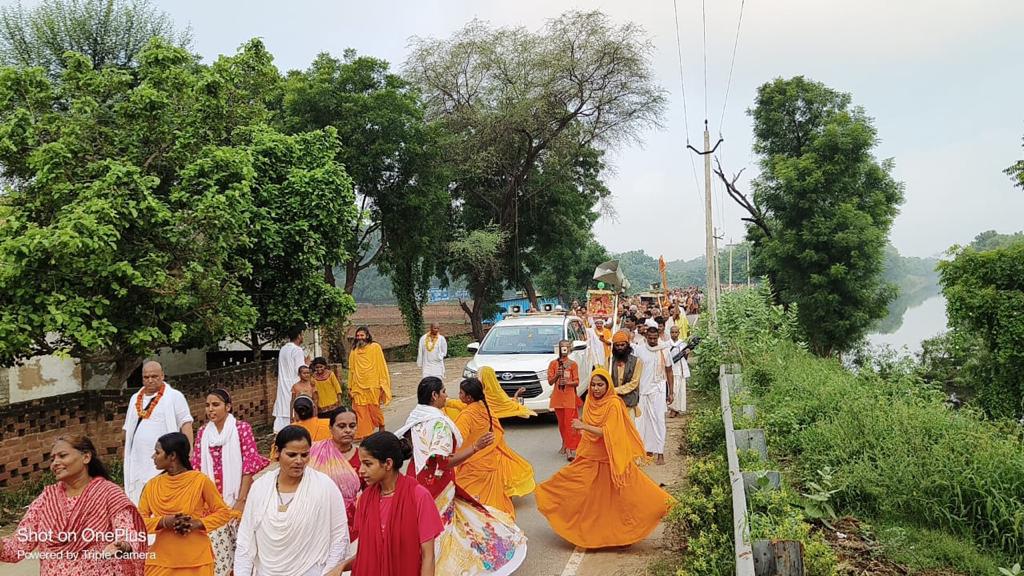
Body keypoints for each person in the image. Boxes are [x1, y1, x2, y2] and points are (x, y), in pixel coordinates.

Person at [395, 377, 528, 576]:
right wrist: (476, 447)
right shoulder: (439, 424)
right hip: (438, 484)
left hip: (416, 478)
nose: (446, 396)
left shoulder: (416, 417)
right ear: (434, 395)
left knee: (420, 526)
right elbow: (444, 461)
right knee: (441, 529)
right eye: (443, 392)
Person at [535, 368, 674, 548]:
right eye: (593, 385)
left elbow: (608, 432)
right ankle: (587, 530)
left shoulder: (614, 404)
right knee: (568, 487)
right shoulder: (590, 402)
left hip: (612, 459)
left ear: (608, 385)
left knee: (634, 494)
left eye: (600, 385)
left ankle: (663, 508)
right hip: (590, 458)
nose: (596, 389)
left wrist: (583, 426)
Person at [1, 435, 147, 576]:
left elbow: (128, 533)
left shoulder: (108, 493)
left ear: (86, 457)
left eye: (62, 456)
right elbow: (16, 548)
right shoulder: (46, 499)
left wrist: (122, 544)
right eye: (52, 459)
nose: (55, 463)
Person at [235, 426, 348, 576]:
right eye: (292, 454)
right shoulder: (260, 488)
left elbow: (339, 536)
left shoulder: (324, 486)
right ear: (277, 452)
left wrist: (329, 572)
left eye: (304, 455)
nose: (299, 461)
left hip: (311, 571)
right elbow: (245, 539)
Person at [190, 390, 269, 576]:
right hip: (212, 504)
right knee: (218, 552)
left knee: (243, 548)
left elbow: (249, 466)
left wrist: (241, 501)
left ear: (228, 407)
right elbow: (198, 467)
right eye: (207, 405)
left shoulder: (242, 429)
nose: (210, 409)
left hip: (238, 498)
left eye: (215, 404)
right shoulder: (203, 432)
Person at [342, 432, 443, 576]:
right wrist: (341, 567)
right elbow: (367, 554)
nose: (361, 470)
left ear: (388, 463)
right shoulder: (365, 499)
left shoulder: (419, 496)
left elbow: (428, 556)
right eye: (361, 463)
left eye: (368, 464)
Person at [139, 432, 234, 576]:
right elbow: (137, 523)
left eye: (157, 452)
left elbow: (224, 513)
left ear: (172, 456)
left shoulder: (200, 481)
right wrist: (164, 522)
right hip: (162, 561)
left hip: (197, 561)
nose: (153, 457)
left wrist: (197, 524)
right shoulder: (151, 486)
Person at [453, 378, 536, 520]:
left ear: (468, 397)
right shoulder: (484, 407)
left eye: (461, 393)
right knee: (492, 504)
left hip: (473, 465)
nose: (458, 395)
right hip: (490, 462)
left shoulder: (467, 416)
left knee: (469, 506)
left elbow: (457, 439)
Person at [124, 361, 194, 504]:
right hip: (138, 461)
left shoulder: (174, 396)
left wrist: (188, 452)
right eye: (146, 377)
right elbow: (127, 430)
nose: (150, 380)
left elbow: (186, 424)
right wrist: (127, 454)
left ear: (162, 376)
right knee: (138, 498)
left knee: (163, 497)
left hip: (165, 458)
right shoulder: (134, 399)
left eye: (154, 376)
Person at [308, 408, 362, 538]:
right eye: (341, 426)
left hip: (353, 520)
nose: (348, 430)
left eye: (352, 426)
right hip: (319, 516)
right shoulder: (315, 451)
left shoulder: (363, 456)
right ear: (330, 428)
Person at [634, 326, 675, 465]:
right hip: (642, 391)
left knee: (658, 420)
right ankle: (646, 449)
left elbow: (669, 371)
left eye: (655, 338)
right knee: (643, 422)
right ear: (645, 336)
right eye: (650, 338)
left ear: (658, 336)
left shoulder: (664, 349)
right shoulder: (639, 350)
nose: (652, 341)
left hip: (658, 389)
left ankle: (660, 452)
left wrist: (671, 391)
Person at [348, 326, 392, 440]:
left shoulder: (375, 347)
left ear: (367, 336)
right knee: (360, 411)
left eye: (362, 335)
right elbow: (351, 370)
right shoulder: (354, 351)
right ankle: (365, 435)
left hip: (373, 385)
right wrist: (349, 387)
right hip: (358, 386)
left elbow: (381, 365)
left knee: (374, 410)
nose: (359, 338)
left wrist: (383, 383)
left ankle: (381, 426)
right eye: (357, 336)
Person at [547, 340, 582, 461]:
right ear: (559, 349)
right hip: (558, 397)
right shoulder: (553, 364)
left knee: (569, 424)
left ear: (570, 349)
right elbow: (550, 382)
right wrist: (557, 375)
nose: (565, 349)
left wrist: (568, 382)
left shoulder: (573, 364)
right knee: (562, 424)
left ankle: (569, 449)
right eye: (562, 347)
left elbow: (577, 382)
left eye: (567, 347)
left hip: (569, 397)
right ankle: (565, 443)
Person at [274, 329, 309, 434]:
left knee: (282, 415)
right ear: (299, 336)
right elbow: (301, 371)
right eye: (302, 334)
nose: (303, 337)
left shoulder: (283, 349)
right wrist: (307, 363)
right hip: (294, 386)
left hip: (283, 387)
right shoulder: (297, 350)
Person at [610, 331, 643, 417]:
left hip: (629, 401)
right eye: (617, 345)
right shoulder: (609, 361)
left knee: (628, 428)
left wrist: (616, 390)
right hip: (613, 402)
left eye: (622, 345)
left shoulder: (637, 361)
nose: (620, 348)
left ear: (627, 345)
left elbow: (634, 383)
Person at [311, 357, 344, 422]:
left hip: (334, 407)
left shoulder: (331, 374)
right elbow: (314, 394)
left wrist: (340, 404)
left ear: (325, 366)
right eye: (317, 367)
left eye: (321, 366)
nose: (319, 369)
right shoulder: (313, 378)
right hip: (321, 410)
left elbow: (338, 389)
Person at [667, 327, 690, 417]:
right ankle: (673, 408)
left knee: (680, 389)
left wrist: (687, 353)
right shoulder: (667, 344)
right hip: (672, 369)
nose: (674, 334)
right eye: (672, 332)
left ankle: (678, 408)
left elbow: (685, 359)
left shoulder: (683, 344)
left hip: (681, 368)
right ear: (670, 333)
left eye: (676, 332)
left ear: (679, 333)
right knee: (673, 389)